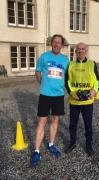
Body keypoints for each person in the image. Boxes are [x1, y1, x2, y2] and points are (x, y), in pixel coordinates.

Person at [31, 34, 69, 167]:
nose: (56, 44)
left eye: (59, 42)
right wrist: (42, 83)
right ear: (51, 43)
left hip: (59, 95)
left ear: (62, 45)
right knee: (42, 121)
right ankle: (36, 151)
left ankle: (51, 144)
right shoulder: (44, 57)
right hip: (45, 95)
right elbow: (37, 72)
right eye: (54, 42)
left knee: (55, 119)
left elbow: (68, 77)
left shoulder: (66, 60)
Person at [65, 42, 99, 157]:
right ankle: (72, 143)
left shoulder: (92, 64)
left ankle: (89, 145)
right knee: (73, 124)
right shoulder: (70, 64)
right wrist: (71, 92)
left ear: (86, 51)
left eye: (82, 49)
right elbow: (67, 81)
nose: (80, 51)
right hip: (74, 101)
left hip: (87, 101)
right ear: (75, 52)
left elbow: (97, 81)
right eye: (78, 49)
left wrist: (94, 91)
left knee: (88, 125)